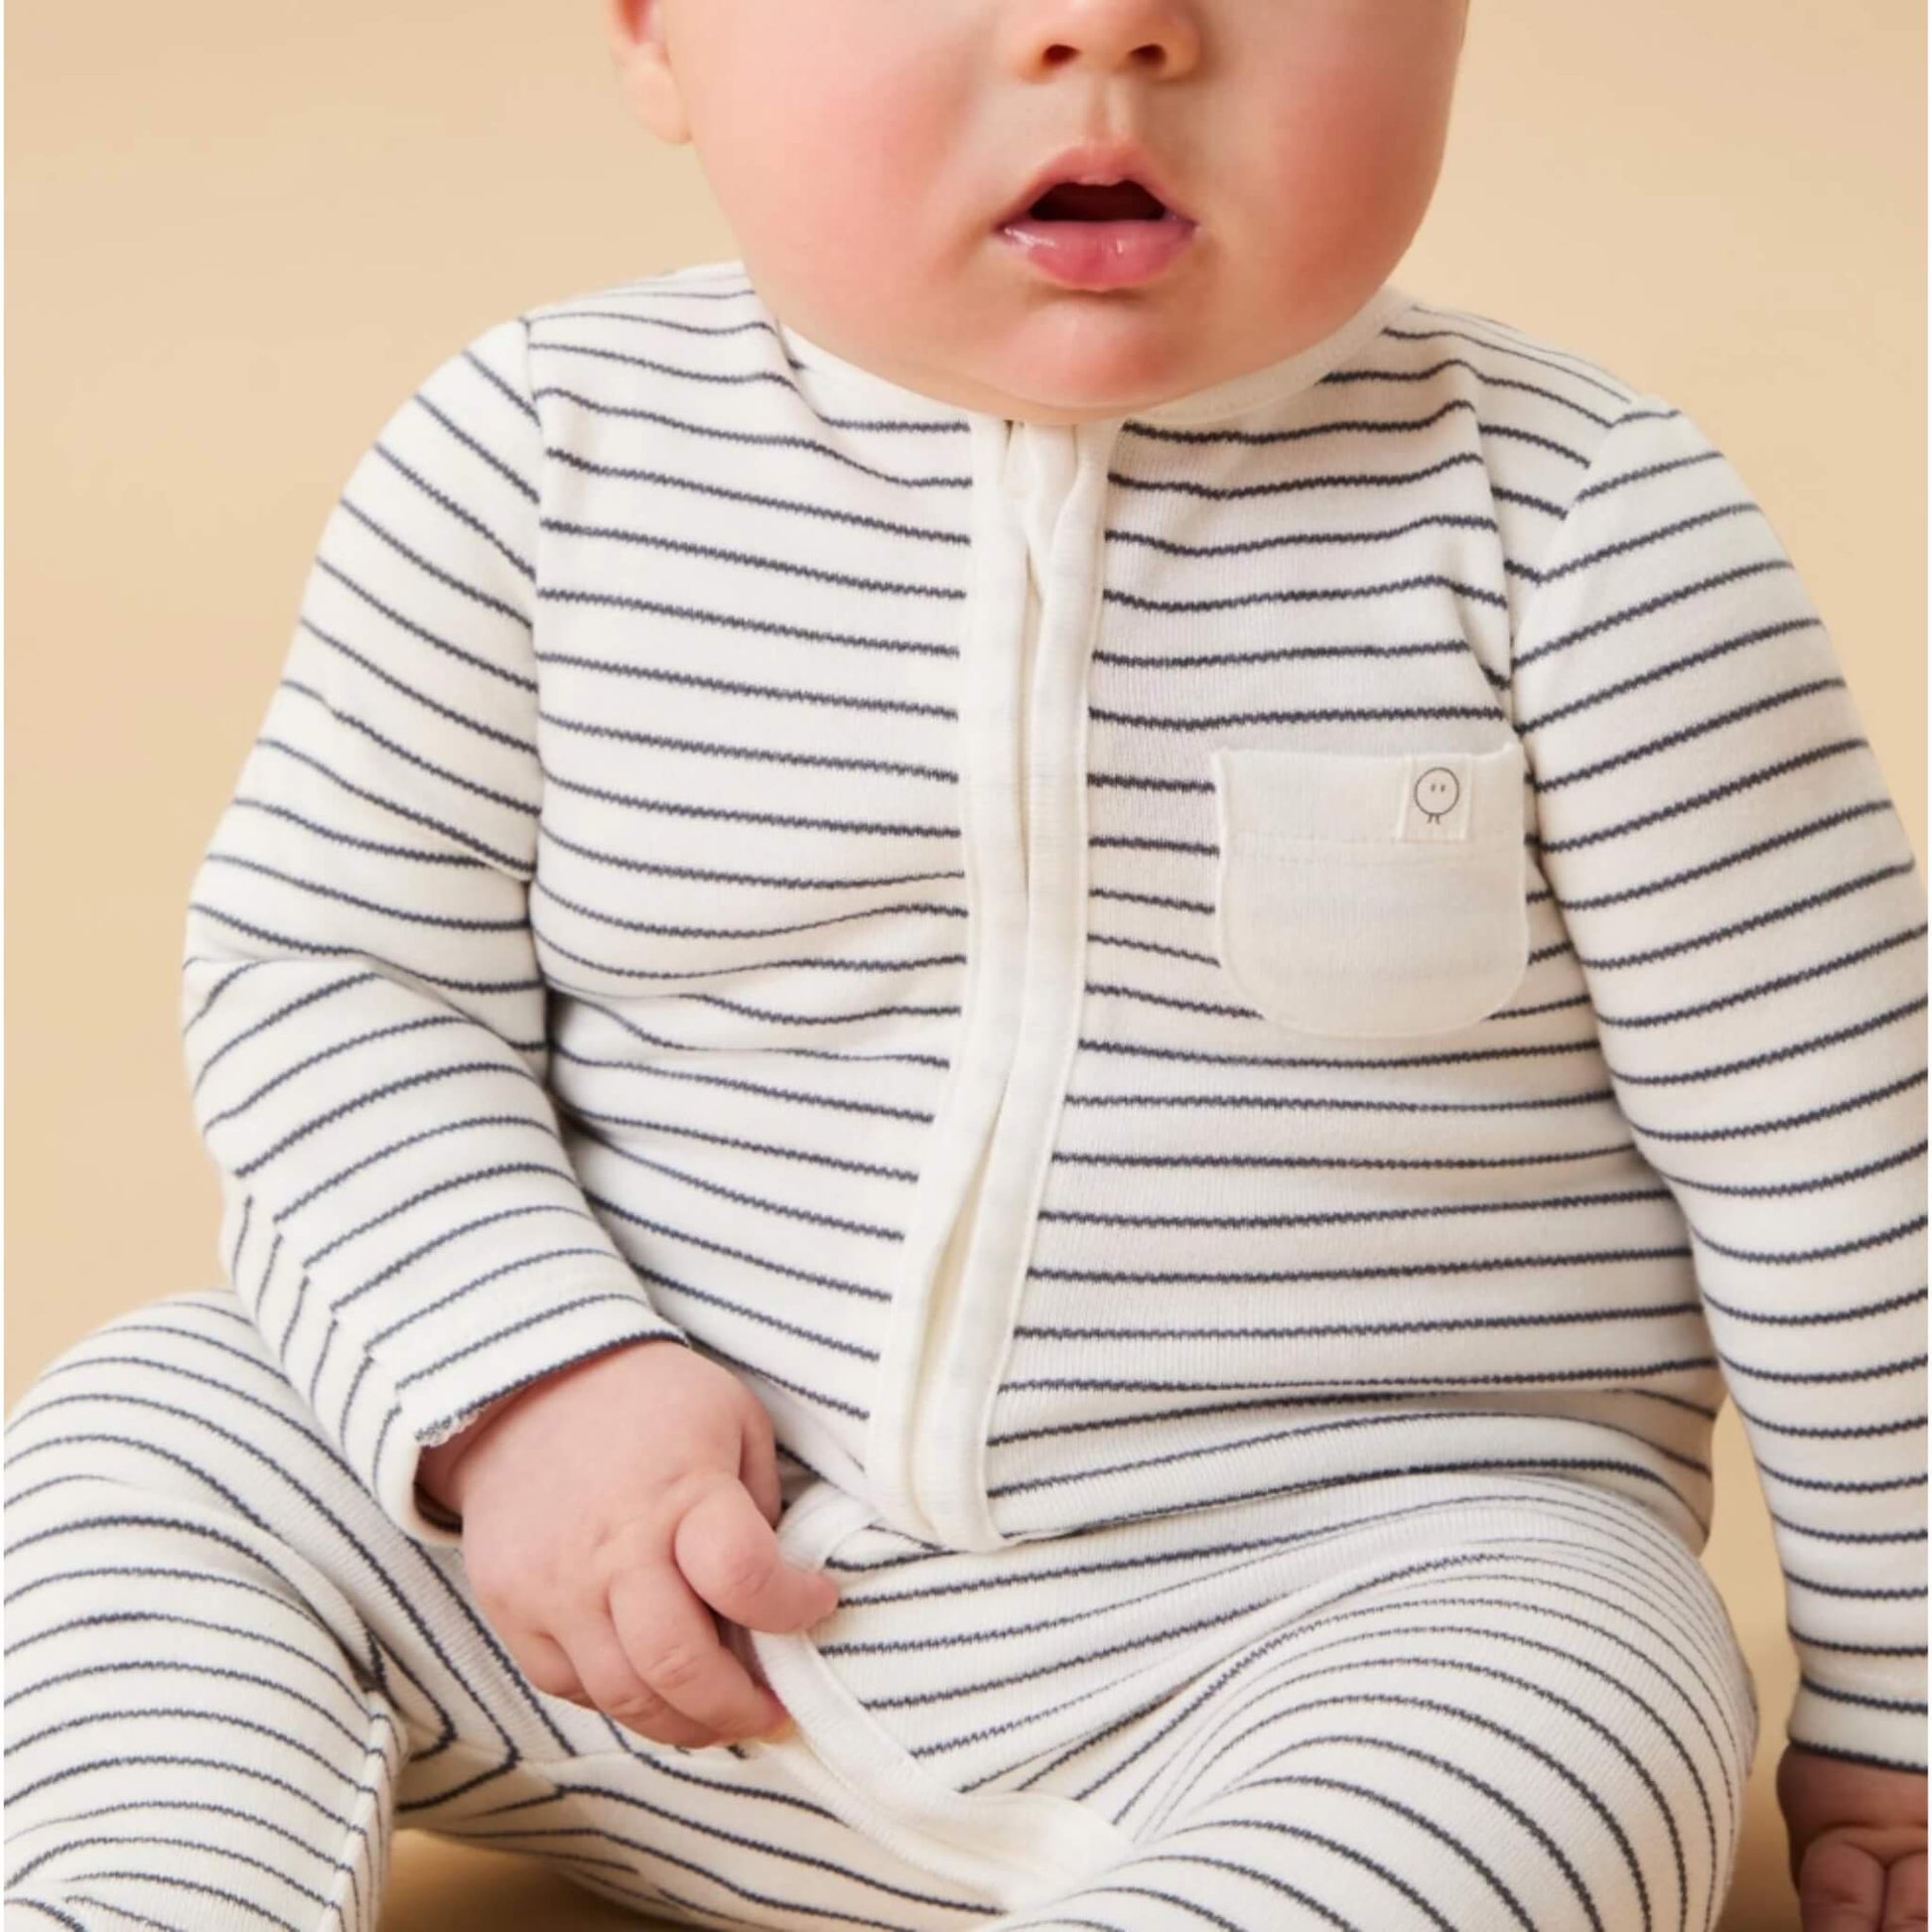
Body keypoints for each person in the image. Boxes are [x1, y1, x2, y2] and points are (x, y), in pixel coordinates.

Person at [6, 2, 1924, 1927]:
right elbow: (336, 976)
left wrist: (1902, 1701)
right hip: (603, 1615)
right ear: (660, 40)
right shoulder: (531, 466)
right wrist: (523, 1382)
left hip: (1328, 1633)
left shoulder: (1580, 534)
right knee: (154, 1428)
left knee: (1578, 1699)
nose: (1113, 26)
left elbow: (1845, 1166)